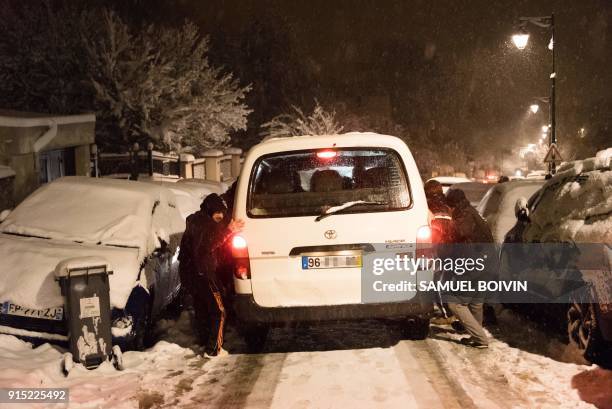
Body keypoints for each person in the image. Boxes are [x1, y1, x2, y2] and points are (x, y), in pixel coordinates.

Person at [180, 193, 243, 356]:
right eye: (217, 212)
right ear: (209, 209)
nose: (221, 216)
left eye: (223, 212)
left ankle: (204, 341)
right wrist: (229, 230)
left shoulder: (197, 220)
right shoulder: (204, 224)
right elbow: (206, 245)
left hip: (192, 274)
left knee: (202, 308)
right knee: (219, 310)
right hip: (203, 273)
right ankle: (214, 349)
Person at [445, 188, 495, 349]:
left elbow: (461, 233)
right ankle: (477, 338)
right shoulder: (472, 211)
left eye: (449, 206)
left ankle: (480, 338)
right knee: (475, 303)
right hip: (488, 262)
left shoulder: (463, 216)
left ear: (454, 205)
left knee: (455, 303)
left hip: (475, 265)